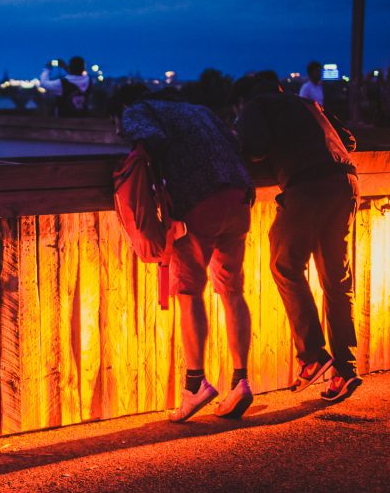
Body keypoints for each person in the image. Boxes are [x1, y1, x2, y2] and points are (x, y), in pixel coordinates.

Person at [116, 88, 255, 423]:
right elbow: (236, 143)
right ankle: (240, 382)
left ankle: (195, 384)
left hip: (197, 201)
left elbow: (150, 138)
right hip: (238, 195)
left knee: (189, 292)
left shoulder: (139, 109)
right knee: (232, 290)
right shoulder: (202, 110)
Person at [232, 74, 362, 402]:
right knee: (336, 281)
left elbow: (256, 149)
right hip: (346, 183)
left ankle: (313, 356)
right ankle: (345, 369)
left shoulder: (255, 106)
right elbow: (348, 141)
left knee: (285, 265)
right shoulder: (308, 104)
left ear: (243, 99)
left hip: (306, 186)